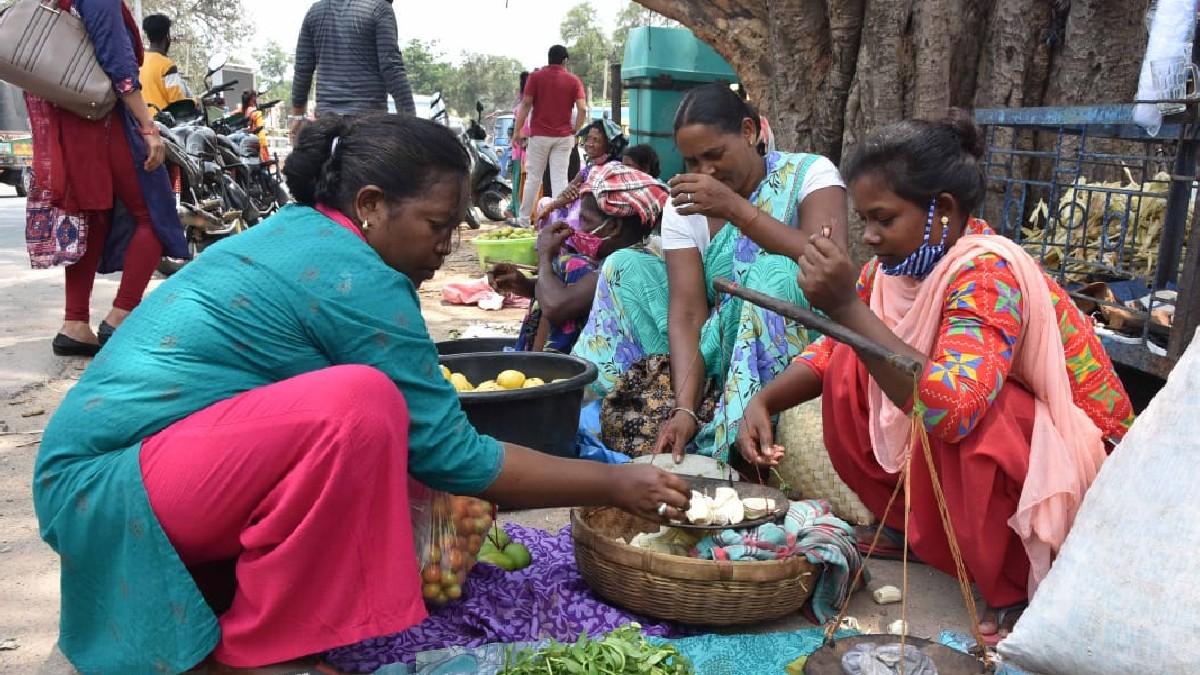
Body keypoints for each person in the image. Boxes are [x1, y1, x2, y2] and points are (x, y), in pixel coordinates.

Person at [32, 113, 691, 674]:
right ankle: (253, 651)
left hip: (129, 470)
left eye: (457, 227)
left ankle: (241, 602)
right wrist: (615, 482)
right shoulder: (356, 275)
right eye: (437, 224)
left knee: (379, 420)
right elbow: (455, 457)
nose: (447, 245)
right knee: (363, 405)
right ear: (371, 205)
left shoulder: (305, 234)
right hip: (109, 487)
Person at [736, 113, 1136, 644]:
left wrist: (846, 305)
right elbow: (835, 347)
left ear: (942, 210)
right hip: (1005, 436)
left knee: (979, 419)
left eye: (883, 219)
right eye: (865, 221)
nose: (871, 238)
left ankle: (1016, 580)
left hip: (1075, 464)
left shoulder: (987, 272)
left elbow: (953, 409)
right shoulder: (895, 268)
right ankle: (915, 530)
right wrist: (763, 400)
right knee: (851, 367)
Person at [571, 83, 847, 460]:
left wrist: (736, 209)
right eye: (692, 162)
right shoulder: (685, 205)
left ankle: (746, 424)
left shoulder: (809, 173)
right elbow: (687, 312)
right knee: (626, 266)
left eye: (714, 155)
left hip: (798, 339)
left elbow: (830, 264)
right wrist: (685, 408)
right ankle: (677, 400)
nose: (705, 171)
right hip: (718, 339)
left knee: (773, 274)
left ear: (749, 133)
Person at [25, 0, 189, 357]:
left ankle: (75, 324)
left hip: (69, 121)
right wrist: (148, 128)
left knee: (92, 215)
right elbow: (121, 68)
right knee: (154, 212)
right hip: (103, 119)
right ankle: (121, 315)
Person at [491, 162, 667, 353]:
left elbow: (556, 305)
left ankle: (539, 367)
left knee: (572, 264)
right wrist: (523, 284)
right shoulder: (619, 255)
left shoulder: (627, 263)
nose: (579, 229)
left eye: (585, 220)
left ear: (614, 226)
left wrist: (544, 255)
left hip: (626, 369)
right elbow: (568, 293)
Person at [289, 0, 416, 138]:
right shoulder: (379, 9)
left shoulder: (315, 12)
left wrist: (298, 117)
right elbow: (391, 67)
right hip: (368, 125)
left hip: (326, 126)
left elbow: (303, 68)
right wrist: (410, 120)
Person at [513, 45, 587, 224]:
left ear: (549, 58)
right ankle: (558, 221)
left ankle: (523, 221)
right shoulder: (573, 80)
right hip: (563, 137)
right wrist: (575, 129)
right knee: (560, 179)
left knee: (534, 178)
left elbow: (525, 104)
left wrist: (517, 131)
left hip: (539, 137)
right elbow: (583, 108)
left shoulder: (536, 77)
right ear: (565, 60)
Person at [533, 118, 628, 233]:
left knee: (575, 212)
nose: (589, 144)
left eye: (596, 140)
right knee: (544, 203)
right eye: (588, 139)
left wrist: (575, 193)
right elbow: (570, 191)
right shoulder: (588, 168)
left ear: (608, 145)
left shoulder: (611, 168)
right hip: (578, 213)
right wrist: (566, 194)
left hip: (598, 219)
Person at [138, 13, 189, 112]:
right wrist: (196, 101)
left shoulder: (139, 60)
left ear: (149, 37)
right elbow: (178, 102)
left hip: (140, 121)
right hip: (162, 123)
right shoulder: (167, 65)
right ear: (167, 36)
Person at [505, 71, 531, 219]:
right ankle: (516, 210)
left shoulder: (523, 103)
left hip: (524, 150)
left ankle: (515, 209)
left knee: (521, 182)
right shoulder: (524, 104)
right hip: (522, 151)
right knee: (520, 182)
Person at [237, 90, 270, 163]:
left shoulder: (243, 110)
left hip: (249, 143)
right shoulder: (255, 111)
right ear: (252, 99)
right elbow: (259, 126)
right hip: (260, 141)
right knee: (264, 165)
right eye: (255, 97)